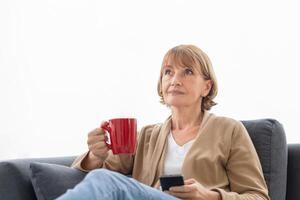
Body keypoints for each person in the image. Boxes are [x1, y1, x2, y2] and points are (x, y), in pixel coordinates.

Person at [56, 45, 270, 200]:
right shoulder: (146, 136)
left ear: (206, 87)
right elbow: (96, 172)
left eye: (187, 72)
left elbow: (258, 196)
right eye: (168, 72)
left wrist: (210, 196)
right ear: (161, 84)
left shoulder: (229, 130)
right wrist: (96, 155)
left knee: (105, 181)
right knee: (104, 179)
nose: (175, 80)